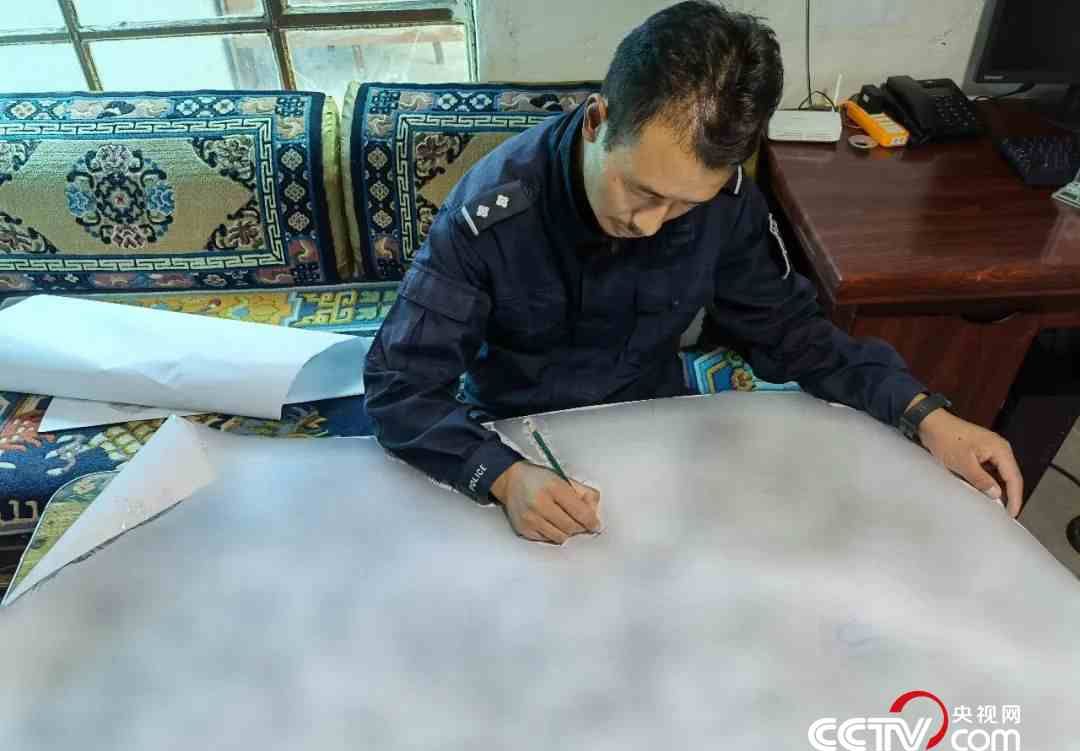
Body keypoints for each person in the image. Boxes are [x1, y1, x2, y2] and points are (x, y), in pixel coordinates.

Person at [364, 0, 1023, 544]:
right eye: (641, 191)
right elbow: (400, 387)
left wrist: (924, 413)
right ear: (597, 122)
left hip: (655, 424)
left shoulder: (727, 204)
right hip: (520, 429)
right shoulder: (491, 215)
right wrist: (502, 476)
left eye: (684, 205)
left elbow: (794, 334)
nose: (652, 224)